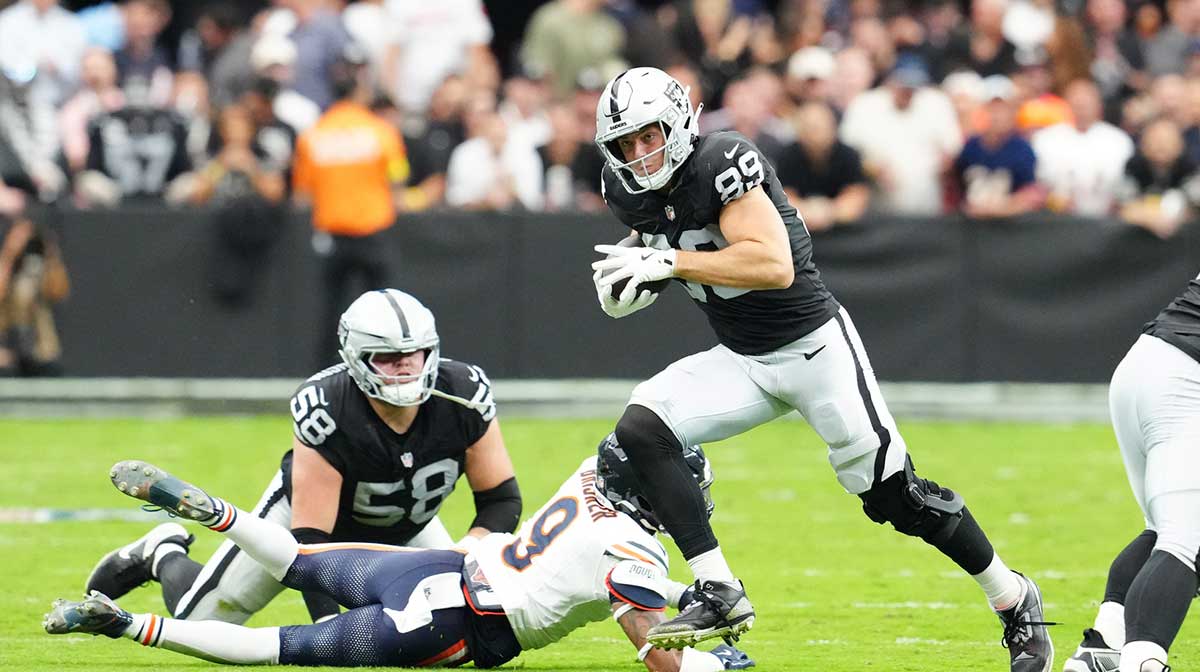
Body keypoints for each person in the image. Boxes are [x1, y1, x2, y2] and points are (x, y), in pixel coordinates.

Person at [589, 66, 1053, 671]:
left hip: (813, 350)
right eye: (625, 145)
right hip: (743, 359)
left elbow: (771, 263)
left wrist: (669, 262)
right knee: (641, 429)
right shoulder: (629, 187)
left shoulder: (724, 159)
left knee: (897, 499)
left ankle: (1012, 597)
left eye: (648, 136)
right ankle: (718, 587)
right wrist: (632, 265)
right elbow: (658, 232)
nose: (639, 155)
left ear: (677, 121)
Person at [46, 436, 755, 672]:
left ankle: (218, 513)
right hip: (456, 625)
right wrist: (713, 662)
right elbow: (659, 654)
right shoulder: (631, 547)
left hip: (439, 567)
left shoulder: (592, 474)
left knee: (296, 560)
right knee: (275, 647)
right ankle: (124, 625)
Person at [83, 289, 522, 627]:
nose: (405, 367)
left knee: (452, 624)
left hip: (410, 523)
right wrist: (332, 628)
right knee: (202, 620)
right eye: (388, 358)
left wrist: (463, 558)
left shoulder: (463, 395)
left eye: (414, 354)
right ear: (356, 358)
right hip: (297, 526)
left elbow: (502, 500)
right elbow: (310, 543)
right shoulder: (327, 407)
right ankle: (162, 551)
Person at [1063, 273, 1200, 672]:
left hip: (1145, 363)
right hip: (1185, 379)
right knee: (1184, 540)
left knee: (1163, 528)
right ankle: (1142, 661)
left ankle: (1103, 647)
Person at [291, 45, 408, 365]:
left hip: (333, 236)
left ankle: (325, 382)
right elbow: (397, 183)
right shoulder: (382, 132)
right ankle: (393, 374)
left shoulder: (313, 135)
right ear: (359, 90)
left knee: (331, 314)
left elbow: (302, 194)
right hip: (374, 230)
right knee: (388, 314)